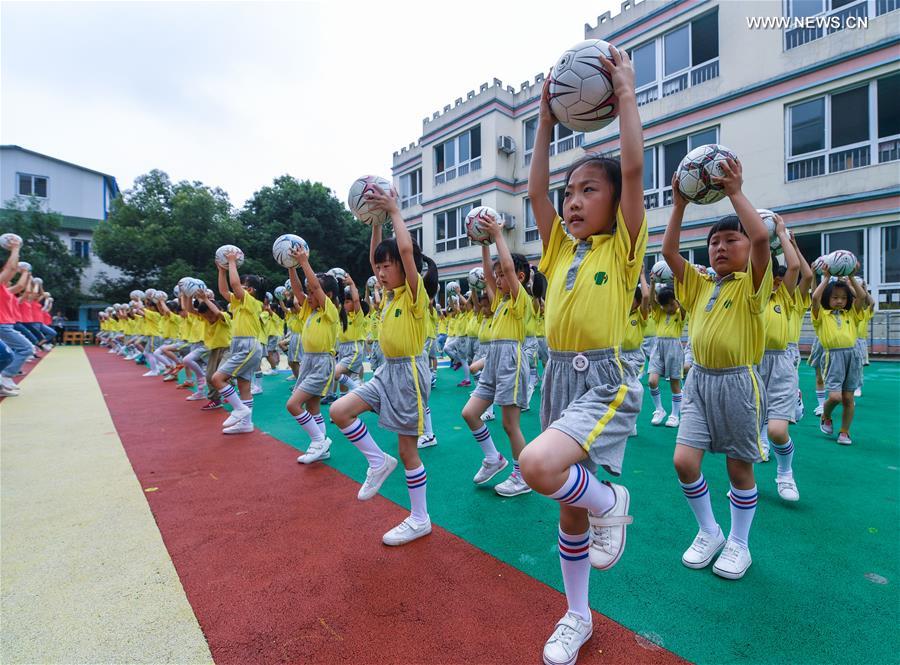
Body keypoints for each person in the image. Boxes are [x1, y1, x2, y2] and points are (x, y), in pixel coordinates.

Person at [517, 44, 646, 665]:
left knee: (537, 467)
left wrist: (624, 95)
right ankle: (577, 615)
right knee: (568, 512)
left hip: (606, 380)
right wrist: (544, 119)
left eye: (587, 190)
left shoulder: (621, 247)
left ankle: (612, 502)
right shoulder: (560, 251)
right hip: (558, 383)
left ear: (614, 203)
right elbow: (535, 187)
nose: (571, 201)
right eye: (569, 193)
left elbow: (634, 170)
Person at [665, 157, 772, 581]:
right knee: (684, 462)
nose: (720, 248)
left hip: (737, 384)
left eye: (731, 240)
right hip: (699, 382)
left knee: (737, 467)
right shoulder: (701, 284)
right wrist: (678, 205)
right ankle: (709, 530)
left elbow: (762, 238)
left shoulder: (754, 284)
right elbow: (670, 252)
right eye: (714, 243)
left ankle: (739, 543)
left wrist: (734, 191)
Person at [330, 185, 439, 546]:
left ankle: (420, 518)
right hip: (385, 371)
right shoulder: (389, 298)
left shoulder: (413, 295)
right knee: (340, 410)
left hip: (408, 373)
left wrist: (393, 210)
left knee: (408, 450)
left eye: (387, 264)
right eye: (379, 266)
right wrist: (374, 225)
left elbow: (405, 250)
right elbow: (375, 255)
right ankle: (377, 462)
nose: (380, 270)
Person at [285, 249, 346, 464]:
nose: (307, 296)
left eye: (312, 293)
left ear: (327, 295)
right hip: (308, 362)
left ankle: (319, 440)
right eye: (308, 293)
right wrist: (291, 266)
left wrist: (304, 262)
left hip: (321, 363)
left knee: (293, 405)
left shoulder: (329, 311)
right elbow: (297, 289)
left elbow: (316, 286)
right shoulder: (308, 311)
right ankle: (322, 447)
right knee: (312, 407)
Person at [758, 215, 801, 501]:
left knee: (776, 430)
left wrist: (783, 234)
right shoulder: (749, 296)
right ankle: (742, 479)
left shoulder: (783, 296)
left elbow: (796, 266)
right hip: (751, 364)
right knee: (748, 430)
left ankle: (785, 473)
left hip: (782, 363)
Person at [207, 250, 265, 434]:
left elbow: (233, 284)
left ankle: (239, 409)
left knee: (217, 378)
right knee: (243, 386)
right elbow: (224, 290)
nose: (238, 287)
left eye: (243, 285)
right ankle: (246, 423)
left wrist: (231, 261)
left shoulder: (251, 302)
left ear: (251, 290)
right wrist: (222, 270)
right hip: (241, 345)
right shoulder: (238, 302)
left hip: (247, 346)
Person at [812, 271, 868, 445]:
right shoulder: (821, 314)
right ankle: (826, 415)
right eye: (835, 297)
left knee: (848, 399)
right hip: (833, 357)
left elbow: (861, 295)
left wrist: (850, 277)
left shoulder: (851, 313)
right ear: (828, 298)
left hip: (852, 356)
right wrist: (827, 277)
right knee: (835, 397)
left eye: (843, 298)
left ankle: (845, 432)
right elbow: (815, 297)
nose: (839, 301)